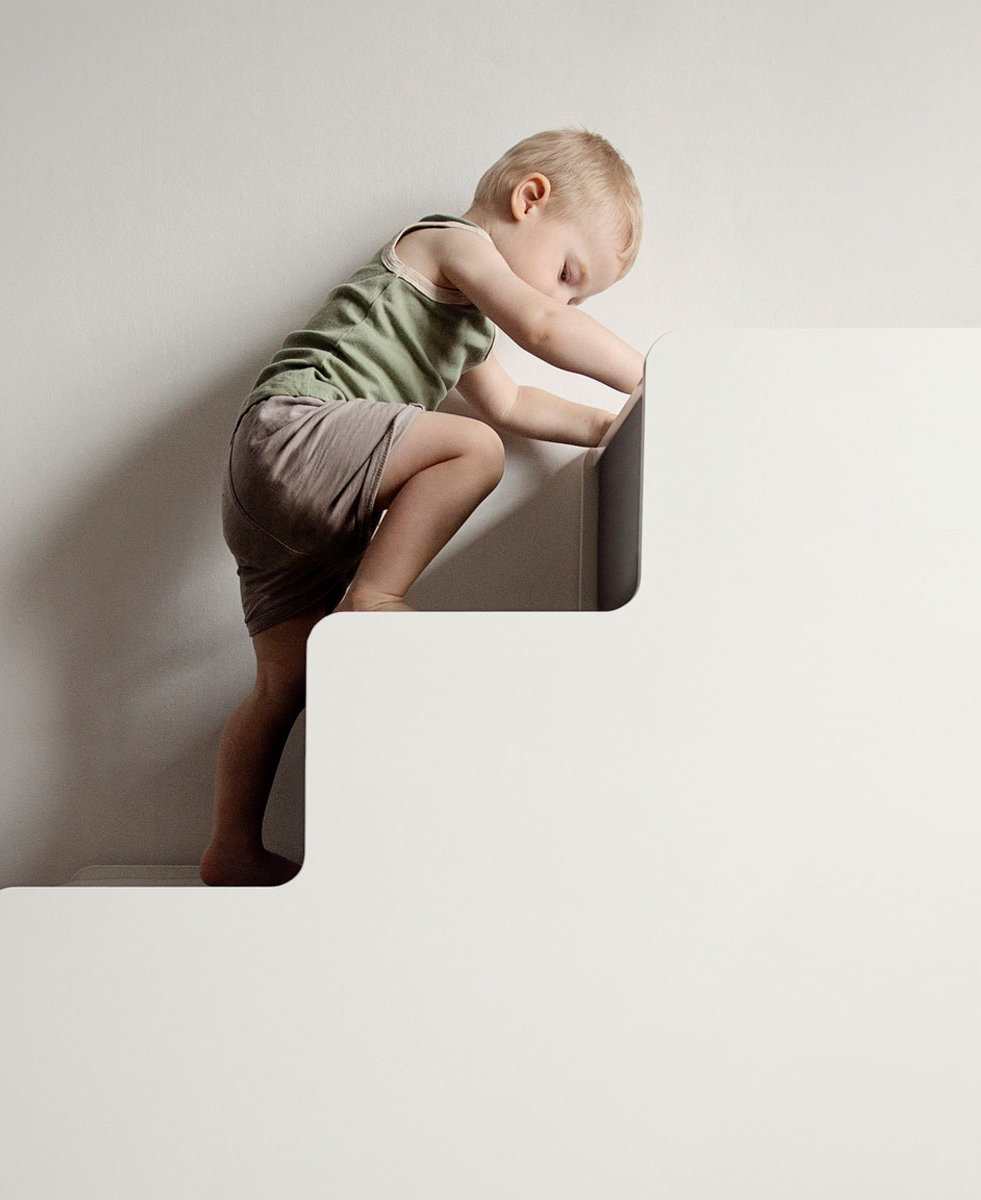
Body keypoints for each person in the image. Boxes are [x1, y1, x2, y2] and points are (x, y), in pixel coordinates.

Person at [202, 127, 649, 887]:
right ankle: (375, 596)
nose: (561, 298)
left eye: (579, 294)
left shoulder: (463, 327)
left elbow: (511, 398)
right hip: (293, 431)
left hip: (271, 497)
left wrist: (609, 425)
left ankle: (229, 848)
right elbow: (541, 331)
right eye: (569, 273)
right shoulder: (446, 242)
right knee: (471, 450)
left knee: (285, 682)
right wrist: (657, 378)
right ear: (529, 198)